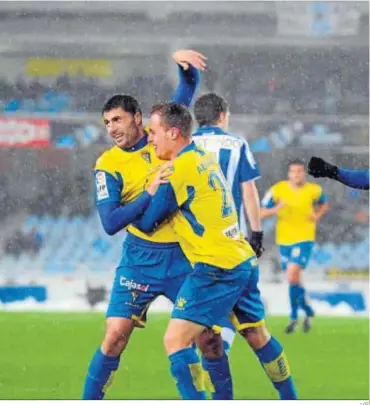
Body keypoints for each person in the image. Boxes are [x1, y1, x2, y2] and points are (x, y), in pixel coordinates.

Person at [83, 50, 234, 401]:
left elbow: (188, 87)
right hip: (139, 259)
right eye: (106, 123)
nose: (112, 129)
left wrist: (183, 65)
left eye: (117, 120)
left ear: (138, 118)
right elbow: (109, 223)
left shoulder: (162, 134)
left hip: (183, 256)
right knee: (115, 336)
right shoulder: (107, 165)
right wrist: (147, 194)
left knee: (208, 340)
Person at [133, 102, 298, 400]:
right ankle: (291, 399)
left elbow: (146, 223)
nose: (149, 138)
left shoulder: (178, 170)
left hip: (215, 266)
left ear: (173, 132)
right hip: (240, 256)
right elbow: (246, 189)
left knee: (175, 341)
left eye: (153, 132)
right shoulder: (204, 157)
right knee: (256, 336)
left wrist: (145, 192)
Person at [191, 92, 264, 389]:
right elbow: (248, 191)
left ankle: (204, 378)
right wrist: (256, 233)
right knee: (252, 325)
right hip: (233, 244)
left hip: (195, 247)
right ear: (222, 115)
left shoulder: (185, 146)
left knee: (201, 320)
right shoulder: (237, 145)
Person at [261, 160, 329, 333]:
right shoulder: (278, 190)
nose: (297, 175)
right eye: (293, 172)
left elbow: (324, 203)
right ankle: (307, 310)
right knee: (294, 280)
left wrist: (317, 215)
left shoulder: (313, 190)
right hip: (284, 240)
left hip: (304, 238)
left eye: (300, 172)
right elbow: (261, 212)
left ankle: (293, 316)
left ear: (304, 173)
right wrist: (276, 208)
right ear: (288, 174)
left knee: (292, 275)